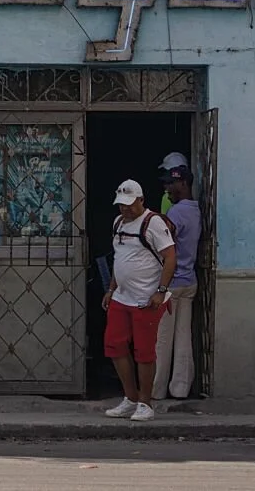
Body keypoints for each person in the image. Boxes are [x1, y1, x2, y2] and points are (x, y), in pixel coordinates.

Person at [102, 178, 175, 423]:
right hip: (121, 297)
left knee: (144, 352)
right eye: (121, 204)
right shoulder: (118, 223)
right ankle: (130, 398)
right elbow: (118, 259)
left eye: (130, 204)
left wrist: (161, 290)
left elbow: (170, 257)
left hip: (146, 300)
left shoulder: (153, 223)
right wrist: (111, 289)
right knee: (115, 346)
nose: (125, 209)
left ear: (141, 200)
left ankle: (146, 402)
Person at [151, 153, 203, 404]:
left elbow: (163, 241)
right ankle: (180, 388)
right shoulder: (194, 210)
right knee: (184, 340)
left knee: (162, 340)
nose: (166, 188)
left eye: (170, 184)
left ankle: (156, 389)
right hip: (189, 281)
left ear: (182, 184)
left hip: (171, 284)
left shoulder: (176, 213)